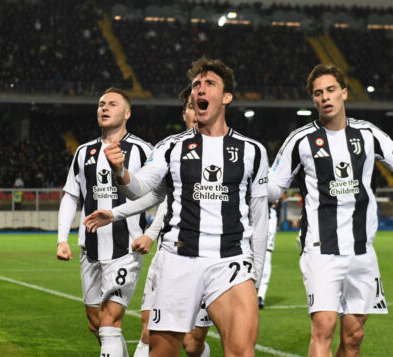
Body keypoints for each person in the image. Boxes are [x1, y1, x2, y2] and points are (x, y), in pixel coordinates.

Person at [266, 63, 393, 356]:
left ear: (344, 93)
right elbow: (273, 188)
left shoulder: (367, 134)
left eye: (331, 90)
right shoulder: (300, 140)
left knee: (354, 337)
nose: (325, 97)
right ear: (314, 100)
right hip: (321, 249)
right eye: (319, 93)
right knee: (324, 327)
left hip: (362, 251)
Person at [100, 57, 269, 356]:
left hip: (230, 261)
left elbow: (259, 215)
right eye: (196, 85)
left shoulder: (252, 151)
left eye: (209, 84)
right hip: (179, 258)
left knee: (242, 351)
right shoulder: (171, 146)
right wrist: (121, 172)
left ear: (226, 97)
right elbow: (138, 188)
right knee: (162, 351)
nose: (200, 90)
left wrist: (254, 272)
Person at [88, 87, 213, 357]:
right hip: (170, 254)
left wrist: (149, 233)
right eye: (191, 107)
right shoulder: (171, 149)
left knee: (192, 344)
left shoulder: (228, 151)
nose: (196, 112)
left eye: (200, 106)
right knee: (149, 330)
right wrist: (116, 213)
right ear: (184, 114)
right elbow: (157, 196)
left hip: (212, 257)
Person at [55, 87, 153, 357]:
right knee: (96, 323)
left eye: (112, 104)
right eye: (101, 104)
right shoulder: (83, 152)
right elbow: (70, 195)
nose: (104, 108)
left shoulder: (143, 150)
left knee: (109, 321)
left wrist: (151, 233)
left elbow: (162, 194)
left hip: (125, 250)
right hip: (91, 249)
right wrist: (62, 239)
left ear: (127, 113)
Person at [257, 201, 279, 309]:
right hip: (253, 214)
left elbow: (275, 198)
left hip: (269, 217)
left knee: (266, 254)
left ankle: (260, 296)